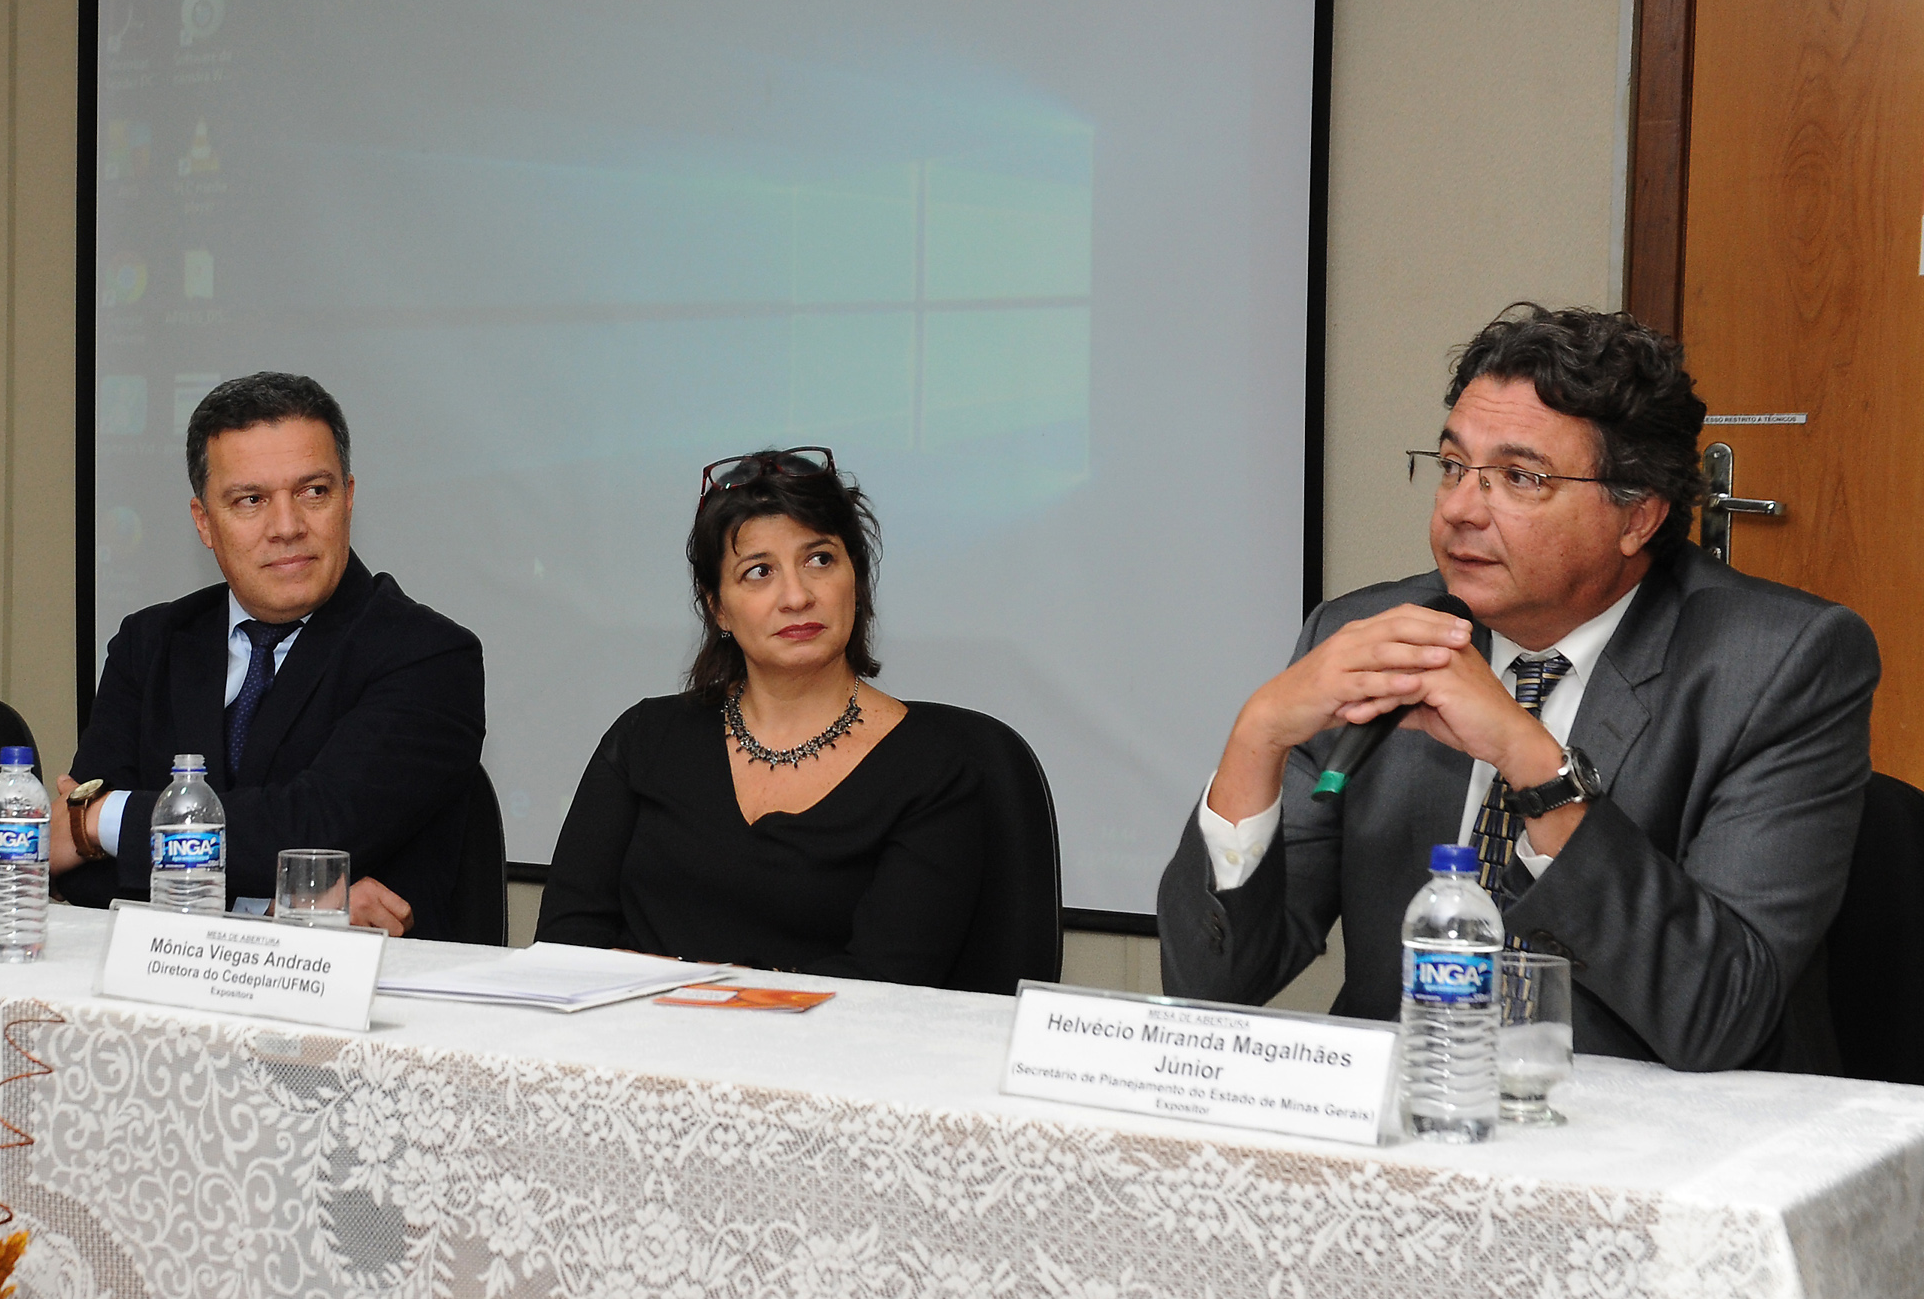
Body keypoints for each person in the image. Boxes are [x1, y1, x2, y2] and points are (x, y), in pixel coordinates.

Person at [1159, 304, 1877, 1073]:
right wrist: (1258, 734)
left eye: (1519, 478)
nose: (1461, 509)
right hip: (1408, 1125)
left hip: (1643, 1143)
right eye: (1452, 467)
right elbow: (1212, 987)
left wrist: (1528, 761)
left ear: (1638, 515)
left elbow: (1721, 1014)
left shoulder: (1778, 664)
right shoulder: (1370, 635)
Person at [51, 372, 486, 937]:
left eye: (313, 492)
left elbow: (314, 824)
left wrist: (101, 818)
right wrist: (258, 916)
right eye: (251, 500)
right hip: (162, 994)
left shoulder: (427, 655)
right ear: (204, 522)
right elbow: (86, 880)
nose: (287, 527)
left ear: (348, 498)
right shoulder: (149, 643)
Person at [536, 449, 985, 985]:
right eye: (758, 572)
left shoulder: (933, 766)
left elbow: (883, 983)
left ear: (857, 580)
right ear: (718, 608)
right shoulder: (645, 739)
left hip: (823, 1062)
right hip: (630, 1053)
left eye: (820, 559)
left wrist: (680, 981)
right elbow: (564, 947)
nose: (796, 596)